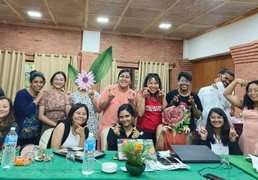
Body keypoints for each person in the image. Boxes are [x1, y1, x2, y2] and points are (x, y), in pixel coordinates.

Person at [97, 69, 135, 149]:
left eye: (127, 77)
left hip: (124, 129)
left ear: (130, 81)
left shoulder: (133, 93)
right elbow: (100, 107)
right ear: (118, 79)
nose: (124, 79)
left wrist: (131, 103)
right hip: (107, 127)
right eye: (122, 76)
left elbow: (135, 114)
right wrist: (109, 99)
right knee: (105, 151)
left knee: (123, 153)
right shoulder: (109, 89)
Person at [224, 79, 258, 155]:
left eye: (256, 90)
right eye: (249, 91)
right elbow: (227, 94)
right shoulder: (245, 105)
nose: (252, 93)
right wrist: (236, 81)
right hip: (246, 140)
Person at [14, 70, 46, 146]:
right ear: (30, 83)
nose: (38, 84)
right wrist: (38, 98)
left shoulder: (42, 95)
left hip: (35, 135)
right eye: (35, 82)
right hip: (21, 134)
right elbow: (25, 112)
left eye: (41, 82)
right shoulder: (22, 94)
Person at [166, 72, 203, 136]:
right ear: (178, 82)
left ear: (190, 83)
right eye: (182, 81)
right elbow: (165, 112)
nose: (185, 83)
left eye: (187, 81)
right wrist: (173, 103)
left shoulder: (195, 96)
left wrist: (193, 104)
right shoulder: (171, 94)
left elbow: (198, 116)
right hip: (173, 129)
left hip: (188, 130)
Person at [136, 73, 167, 145]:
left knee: (157, 153)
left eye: (156, 83)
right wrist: (144, 97)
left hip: (158, 131)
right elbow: (140, 113)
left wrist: (163, 98)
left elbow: (166, 112)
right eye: (150, 83)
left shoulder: (160, 94)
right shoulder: (140, 94)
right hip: (144, 130)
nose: (153, 86)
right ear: (146, 84)